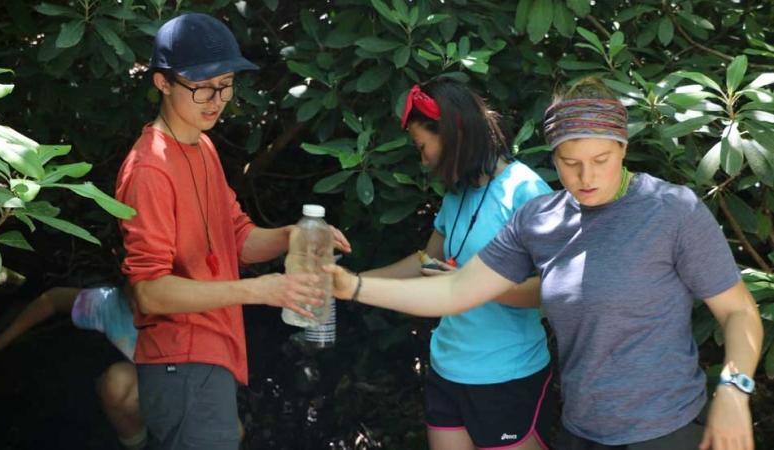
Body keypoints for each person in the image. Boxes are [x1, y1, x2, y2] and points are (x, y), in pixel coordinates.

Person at [326, 76, 763, 450]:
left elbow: (739, 311)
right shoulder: (539, 220)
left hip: (665, 430)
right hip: (582, 429)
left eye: (601, 160)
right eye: (570, 163)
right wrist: (355, 287)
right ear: (553, 156)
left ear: (623, 148)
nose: (586, 178)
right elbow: (455, 290)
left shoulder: (672, 211)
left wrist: (733, 387)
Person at [115, 13, 350, 450]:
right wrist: (262, 291)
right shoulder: (150, 168)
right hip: (180, 360)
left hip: (210, 353)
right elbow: (149, 291)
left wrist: (296, 235)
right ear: (163, 83)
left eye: (225, 84)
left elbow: (237, 238)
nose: (217, 99)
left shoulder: (201, 145)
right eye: (202, 86)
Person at [360, 78, 553, 450]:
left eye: (423, 147)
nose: (424, 159)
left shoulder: (526, 191)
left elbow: (553, 289)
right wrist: (352, 282)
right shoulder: (457, 195)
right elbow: (426, 262)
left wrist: (475, 286)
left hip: (507, 376)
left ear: (451, 134)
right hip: (447, 370)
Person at [0, 286, 148, 450]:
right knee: (116, 383)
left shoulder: (175, 305)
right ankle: (139, 445)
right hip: (155, 388)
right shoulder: (111, 306)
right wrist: (0, 340)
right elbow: (54, 300)